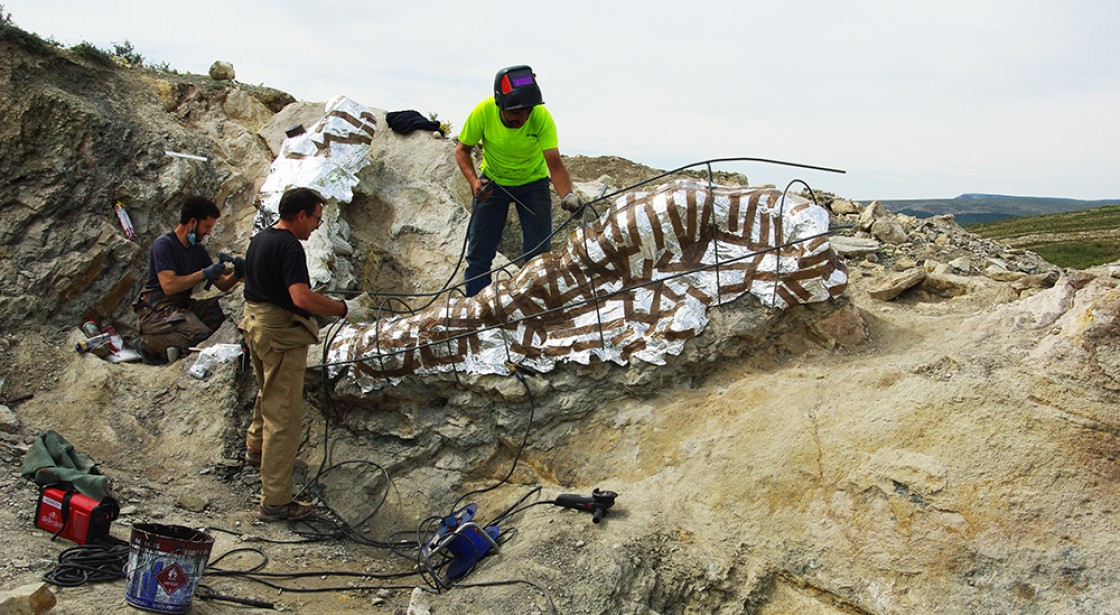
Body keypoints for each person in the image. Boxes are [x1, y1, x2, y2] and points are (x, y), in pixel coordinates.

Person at [239, 187, 357, 521]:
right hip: (279, 337)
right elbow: (301, 298)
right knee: (284, 416)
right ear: (301, 215)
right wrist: (341, 308)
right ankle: (275, 501)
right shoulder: (290, 246)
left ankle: (255, 447)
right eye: (316, 218)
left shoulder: (263, 238)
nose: (317, 227)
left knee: (268, 391)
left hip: (255, 326)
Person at [454, 65, 583, 297]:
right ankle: (477, 309)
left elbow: (554, 164)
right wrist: (474, 182)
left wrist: (567, 196)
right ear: (500, 105)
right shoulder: (482, 113)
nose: (522, 119)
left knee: (538, 256)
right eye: (515, 113)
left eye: (527, 112)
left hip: (533, 184)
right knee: (479, 254)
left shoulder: (541, 117)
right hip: (493, 183)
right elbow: (462, 150)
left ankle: (532, 309)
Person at [134, 196, 241, 363]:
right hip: (156, 312)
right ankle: (147, 344)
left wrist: (238, 274)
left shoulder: (197, 251)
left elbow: (223, 285)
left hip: (183, 307)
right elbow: (169, 285)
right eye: (206, 226)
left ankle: (173, 347)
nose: (208, 232)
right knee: (200, 333)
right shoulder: (164, 245)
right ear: (192, 222)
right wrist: (204, 274)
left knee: (223, 308)